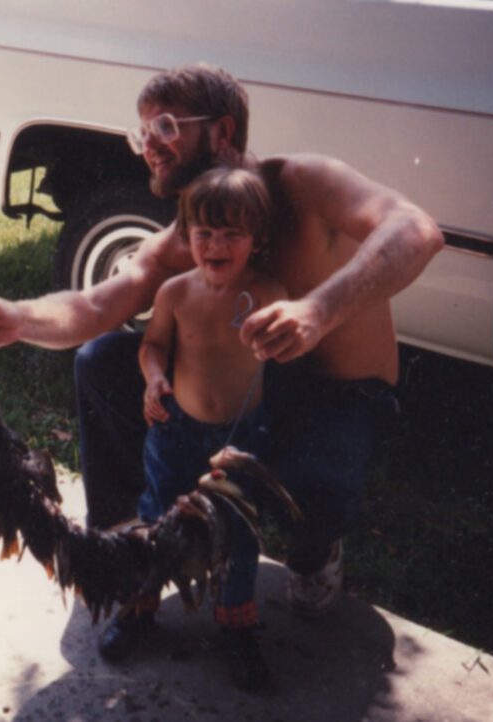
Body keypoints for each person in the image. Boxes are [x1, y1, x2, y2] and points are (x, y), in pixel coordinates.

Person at [0, 64, 443, 665]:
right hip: (240, 386)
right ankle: (130, 548)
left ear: (222, 131)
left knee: (321, 479)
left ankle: (316, 553)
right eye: (141, 132)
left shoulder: (304, 181)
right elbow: (98, 303)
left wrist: (318, 311)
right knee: (102, 360)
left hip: (337, 392)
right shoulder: (192, 232)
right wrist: (17, 318)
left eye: (164, 125)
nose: (148, 143)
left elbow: (417, 230)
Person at [136, 165, 285, 689]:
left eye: (232, 234)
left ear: (256, 239)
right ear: (186, 234)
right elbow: (152, 346)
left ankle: (235, 629)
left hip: (239, 441)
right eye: (205, 234)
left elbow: (293, 345)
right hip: (175, 430)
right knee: (156, 520)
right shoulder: (175, 292)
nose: (216, 245)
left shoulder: (268, 293)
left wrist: (277, 335)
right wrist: (154, 381)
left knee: (237, 536)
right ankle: (138, 611)